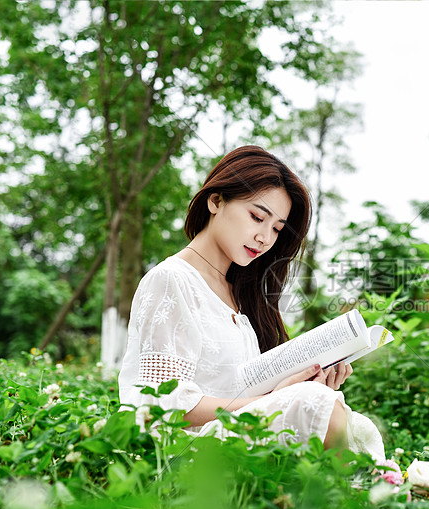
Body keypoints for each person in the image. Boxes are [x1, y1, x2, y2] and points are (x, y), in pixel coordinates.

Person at [117, 145, 386, 462]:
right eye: (257, 217)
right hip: (184, 447)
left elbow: (238, 388)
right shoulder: (171, 279)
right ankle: (357, 501)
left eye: (275, 228)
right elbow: (160, 403)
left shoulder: (243, 294)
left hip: (235, 431)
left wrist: (298, 382)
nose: (265, 238)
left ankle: (365, 497)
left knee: (345, 415)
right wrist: (278, 399)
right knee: (314, 404)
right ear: (216, 201)